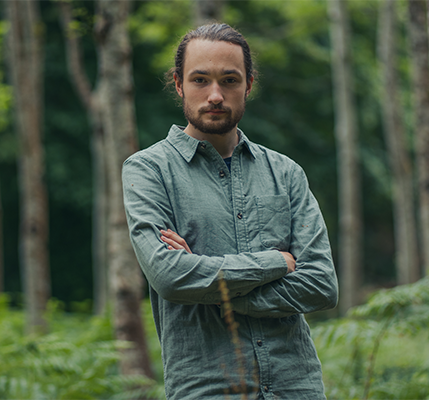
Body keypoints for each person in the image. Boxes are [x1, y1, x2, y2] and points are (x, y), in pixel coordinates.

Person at [122, 23, 338, 400]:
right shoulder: (148, 170)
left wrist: (210, 286)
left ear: (249, 86)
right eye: (201, 80)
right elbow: (170, 278)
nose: (216, 95)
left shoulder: (286, 174)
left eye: (230, 80)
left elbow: (321, 285)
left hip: (296, 388)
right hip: (206, 389)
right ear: (179, 84)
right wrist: (276, 262)